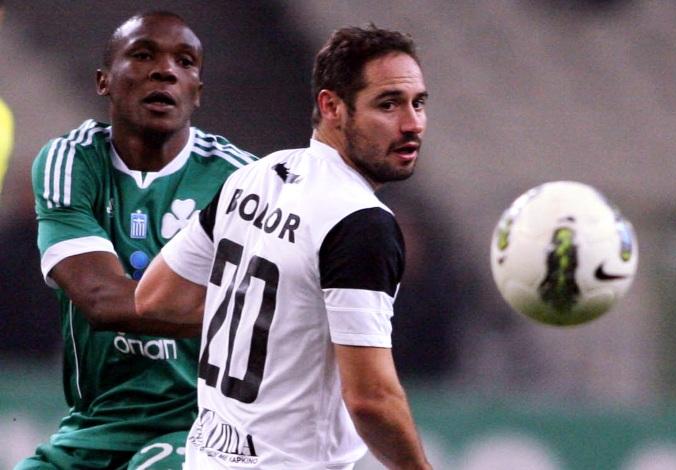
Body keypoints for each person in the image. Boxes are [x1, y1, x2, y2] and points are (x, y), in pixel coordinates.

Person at [135, 25, 433, 469]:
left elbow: (155, 298)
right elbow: (371, 399)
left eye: (418, 103)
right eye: (388, 104)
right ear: (331, 106)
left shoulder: (254, 177)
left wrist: (275, 323)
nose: (412, 124)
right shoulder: (360, 223)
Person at [19, 11, 258, 470]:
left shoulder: (243, 182)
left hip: (208, 427)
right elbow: (102, 299)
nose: (165, 70)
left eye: (185, 62)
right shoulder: (72, 162)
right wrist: (241, 312)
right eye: (143, 55)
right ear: (104, 81)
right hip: (96, 425)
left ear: (197, 92)